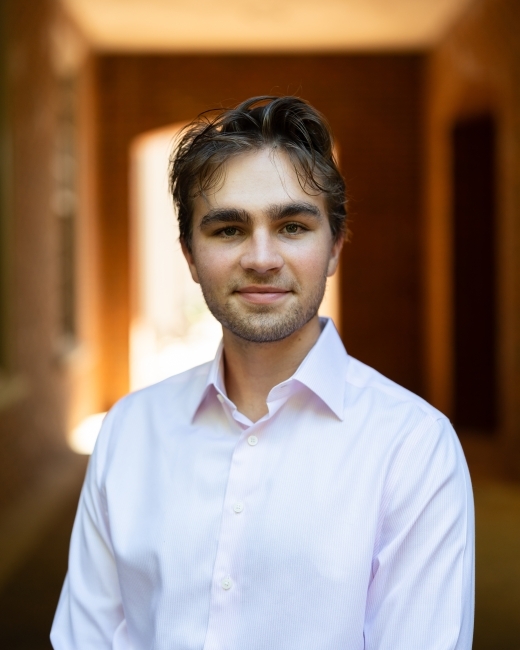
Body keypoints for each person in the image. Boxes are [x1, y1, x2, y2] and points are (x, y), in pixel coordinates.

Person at [51, 96, 474, 649]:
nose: (261, 257)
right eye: (228, 229)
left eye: (293, 225)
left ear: (335, 247)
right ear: (190, 256)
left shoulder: (413, 447)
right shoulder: (129, 431)